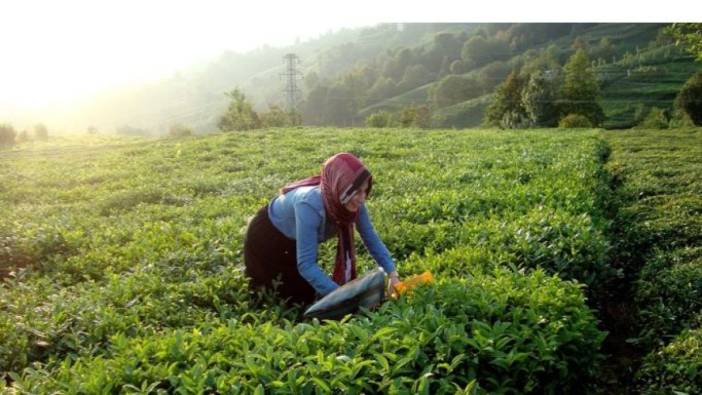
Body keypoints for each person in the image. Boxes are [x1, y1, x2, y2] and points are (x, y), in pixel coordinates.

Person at [243, 152, 400, 305]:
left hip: (294, 239)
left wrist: (392, 274)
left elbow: (370, 238)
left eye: (365, 190)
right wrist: (345, 297)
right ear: (340, 187)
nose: (362, 198)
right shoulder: (309, 204)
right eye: (357, 192)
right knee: (280, 298)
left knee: (308, 294)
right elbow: (306, 264)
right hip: (267, 237)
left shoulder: (354, 203)